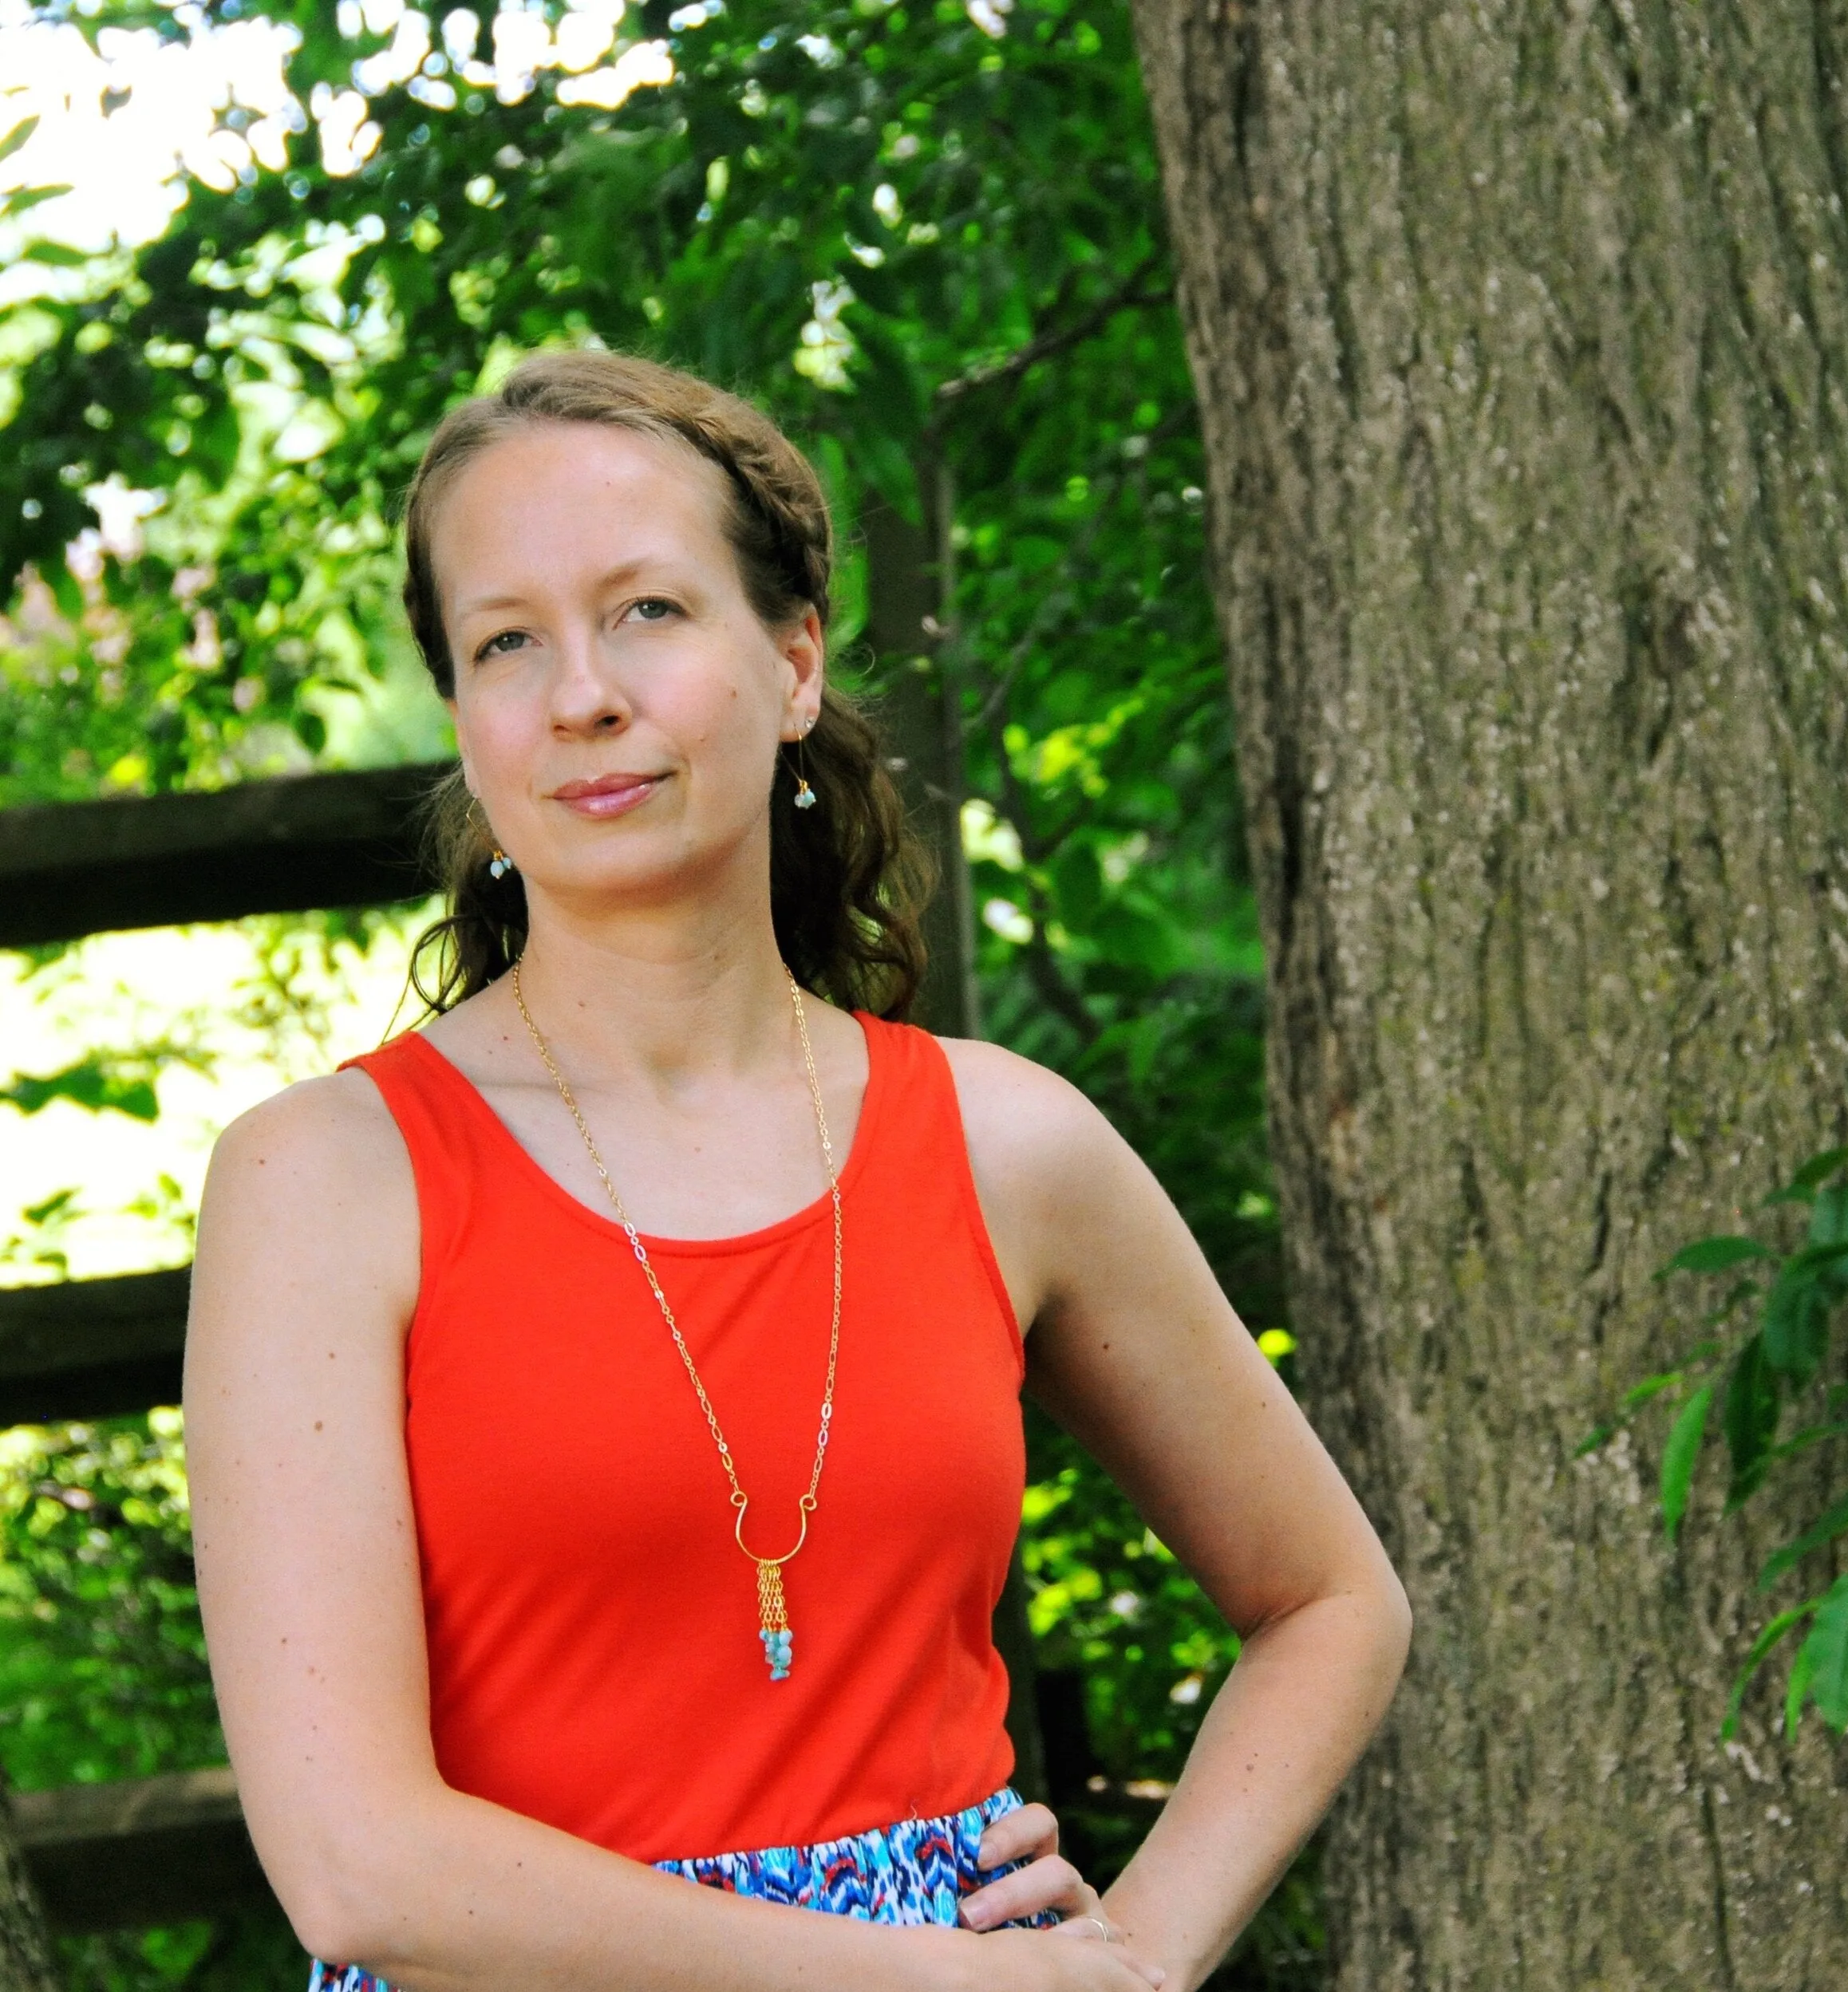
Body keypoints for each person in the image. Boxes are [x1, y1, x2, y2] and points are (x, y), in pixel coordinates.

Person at [183, 349, 1411, 1992]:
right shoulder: (326, 1181)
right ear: (465, 719)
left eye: (648, 612)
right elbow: (355, 1868)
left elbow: (1330, 1599)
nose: (580, 695)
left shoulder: (1001, 1144)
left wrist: (1136, 1956)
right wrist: (921, 1981)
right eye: (504, 642)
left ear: (793, 658)